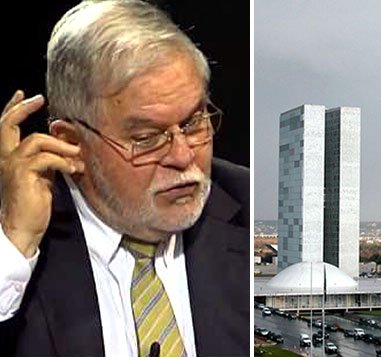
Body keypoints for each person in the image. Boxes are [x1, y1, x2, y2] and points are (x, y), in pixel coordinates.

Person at [0, 1, 249, 356]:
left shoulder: (245, 202)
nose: (183, 156)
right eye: (146, 138)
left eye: (193, 123)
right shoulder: (15, 235)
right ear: (72, 143)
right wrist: (14, 246)